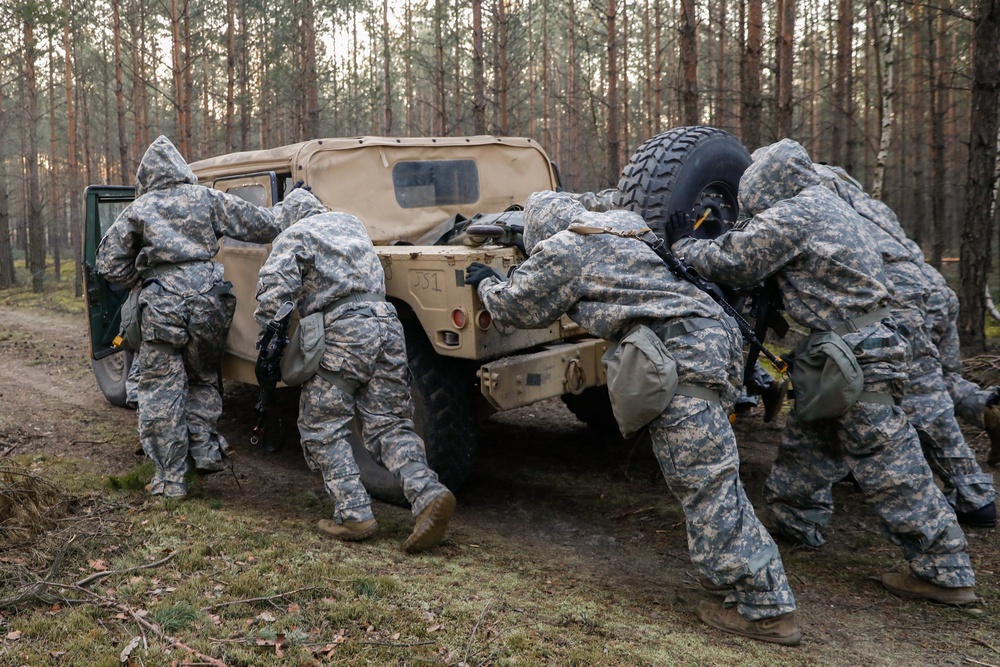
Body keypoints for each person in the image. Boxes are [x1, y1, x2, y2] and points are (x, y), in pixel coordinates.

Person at [467, 190, 800, 645]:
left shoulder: (564, 248)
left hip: (683, 355)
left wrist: (487, 281)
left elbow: (513, 307)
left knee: (707, 484)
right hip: (710, 343)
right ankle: (728, 576)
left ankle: (766, 609)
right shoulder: (624, 225)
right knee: (710, 476)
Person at [669, 139, 977, 606]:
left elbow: (734, 260)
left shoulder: (797, 215)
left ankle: (945, 570)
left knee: (890, 464)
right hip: (844, 349)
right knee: (811, 435)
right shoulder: (828, 204)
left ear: (766, 184)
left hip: (856, 351)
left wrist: (685, 243)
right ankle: (795, 519)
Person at [254, 188, 455, 553]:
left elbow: (272, 293)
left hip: (345, 330)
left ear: (289, 217)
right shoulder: (352, 225)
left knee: (321, 426)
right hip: (388, 324)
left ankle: (353, 514)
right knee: (389, 422)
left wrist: (271, 342)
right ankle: (428, 495)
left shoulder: (295, 234)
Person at [97, 135, 283, 499]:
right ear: (181, 169)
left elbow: (107, 263)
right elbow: (263, 225)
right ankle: (204, 451)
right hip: (209, 302)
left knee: (159, 388)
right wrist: (295, 207)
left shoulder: (141, 208)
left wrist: (142, 280)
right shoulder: (207, 199)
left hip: (162, 305)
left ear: (145, 177)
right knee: (202, 377)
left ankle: (171, 479)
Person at [814, 164, 996, 527]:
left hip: (899, 295)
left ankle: (975, 497)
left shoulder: (817, 206)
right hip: (933, 287)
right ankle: (989, 406)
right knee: (940, 379)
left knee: (923, 399)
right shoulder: (870, 206)